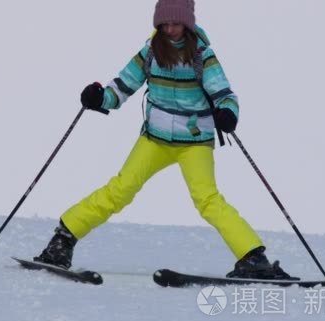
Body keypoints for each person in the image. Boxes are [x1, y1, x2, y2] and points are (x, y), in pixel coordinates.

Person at [34, 0, 297, 280]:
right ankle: (63, 240)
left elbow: (225, 95)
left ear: (187, 23)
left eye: (176, 23)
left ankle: (253, 258)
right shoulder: (150, 52)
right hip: (155, 139)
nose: (170, 29)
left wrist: (228, 113)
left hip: (194, 141)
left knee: (207, 199)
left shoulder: (202, 55)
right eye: (164, 24)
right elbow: (123, 86)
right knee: (120, 189)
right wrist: (100, 98)